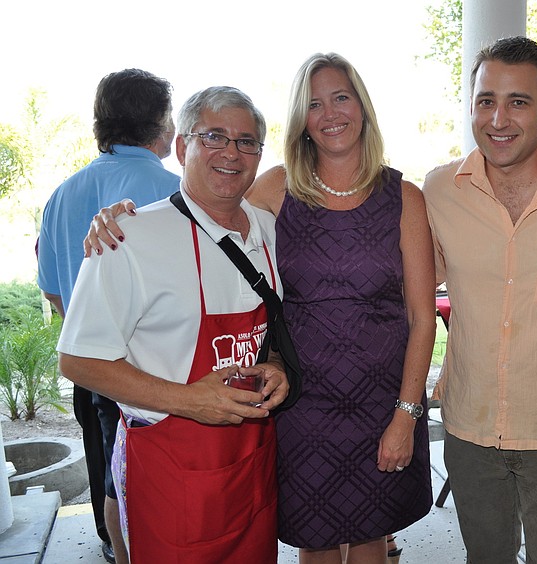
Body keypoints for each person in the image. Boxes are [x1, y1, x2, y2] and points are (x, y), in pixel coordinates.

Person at [85, 53, 435, 564]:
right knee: (314, 537)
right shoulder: (277, 186)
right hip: (301, 403)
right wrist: (123, 216)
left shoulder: (404, 196)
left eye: (342, 97)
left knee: (371, 537)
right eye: (314, 103)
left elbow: (423, 318)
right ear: (302, 119)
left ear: (362, 106)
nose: (330, 112)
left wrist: (406, 414)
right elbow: (208, 199)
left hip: (383, 402)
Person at [56, 86, 290, 563]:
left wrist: (278, 364)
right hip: (173, 473)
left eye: (247, 141)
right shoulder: (130, 237)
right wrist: (189, 400)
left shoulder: (269, 229)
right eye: (214, 136)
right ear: (181, 146)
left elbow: (277, 326)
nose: (231, 152)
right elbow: (77, 358)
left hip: (253, 465)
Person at [421, 36, 537, 563]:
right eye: (485, 100)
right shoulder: (439, 190)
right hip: (471, 427)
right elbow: (408, 290)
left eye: (518, 102)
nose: (498, 119)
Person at [36, 68, 179, 564]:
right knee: (154, 479)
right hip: (159, 371)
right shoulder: (177, 192)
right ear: (162, 123)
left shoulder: (62, 195)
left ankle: (112, 544)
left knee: (103, 458)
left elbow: (55, 293)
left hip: (86, 364)